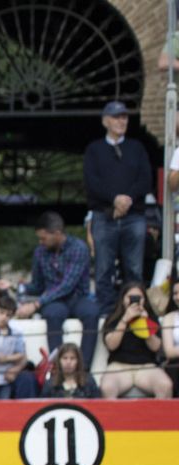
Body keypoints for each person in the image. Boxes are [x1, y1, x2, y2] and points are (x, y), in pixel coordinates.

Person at [85, 101, 151, 319]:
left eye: (124, 117)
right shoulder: (94, 150)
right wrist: (114, 200)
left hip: (134, 216)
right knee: (104, 268)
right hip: (104, 216)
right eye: (116, 117)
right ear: (105, 121)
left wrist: (127, 200)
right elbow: (91, 182)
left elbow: (145, 179)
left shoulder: (137, 148)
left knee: (134, 268)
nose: (121, 121)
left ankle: (135, 309)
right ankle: (107, 313)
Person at [11, 211, 99, 360]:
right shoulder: (39, 252)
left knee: (92, 312)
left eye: (43, 238)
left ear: (57, 233)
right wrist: (15, 286)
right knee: (52, 314)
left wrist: (36, 304)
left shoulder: (79, 248)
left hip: (77, 297)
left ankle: (84, 368)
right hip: (54, 302)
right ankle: (57, 366)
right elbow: (37, 286)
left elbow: (67, 285)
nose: (41, 242)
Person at [99, 282, 171, 399]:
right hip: (119, 366)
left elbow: (156, 347)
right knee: (107, 387)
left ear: (144, 300)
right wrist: (124, 320)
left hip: (146, 366)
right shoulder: (114, 318)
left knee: (166, 385)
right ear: (123, 299)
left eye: (139, 298)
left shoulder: (150, 317)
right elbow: (111, 345)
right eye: (130, 297)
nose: (134, 300)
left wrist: (144, 322)